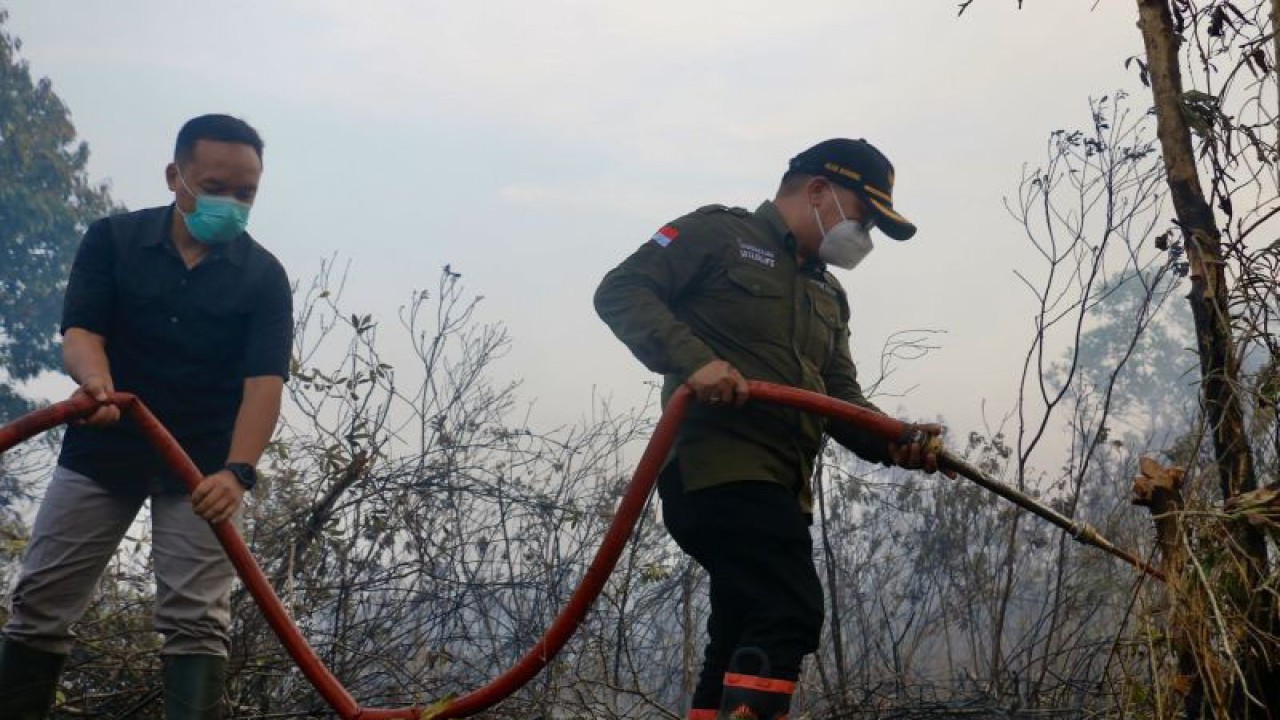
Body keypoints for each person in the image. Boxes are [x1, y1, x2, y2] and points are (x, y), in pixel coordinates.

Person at [594, 138, 949, 720]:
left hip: (781, 489)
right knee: (789, 606)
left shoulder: (828, 294)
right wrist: (695, 361)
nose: (866, 238)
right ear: (818, 192)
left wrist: (898, 439)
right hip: (717, 472)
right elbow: (621, 290)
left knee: (741, 626)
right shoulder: (719, 236)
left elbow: (842, 402)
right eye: (864, 218)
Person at [0, 114, 293, 720]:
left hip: (201, 469)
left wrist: (237, 472)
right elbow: (82, 331)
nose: (230, 203)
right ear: (174, 177)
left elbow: (264, 385)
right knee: (40, 604)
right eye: (216, 186)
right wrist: (96, 383)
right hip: (102, 450)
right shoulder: (113, 239)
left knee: (197, 622)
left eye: (245, 194)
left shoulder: (263, 277)